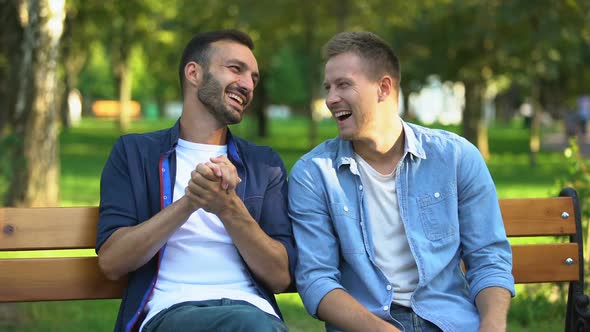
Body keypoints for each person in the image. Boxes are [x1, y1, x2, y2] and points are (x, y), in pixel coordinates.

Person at [288, 31, 514, 332]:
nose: (330, 99)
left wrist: (492, 326)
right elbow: (316, 280)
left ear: (383, 88)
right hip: (367, 325)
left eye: (344, 85)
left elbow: (488, 257)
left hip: (450, 321)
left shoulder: (456, 157)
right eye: (328, 87)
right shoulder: (315, 174)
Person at [96, 30, 295, 332]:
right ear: (194, 73)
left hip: (252, 311)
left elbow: (280, 276)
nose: (247, 84)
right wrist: (190, 202)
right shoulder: (135, 154)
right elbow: (112, 262)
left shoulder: (263, 164)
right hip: (170, 312)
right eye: (235, 69)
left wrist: (228, 207)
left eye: (254, 77)